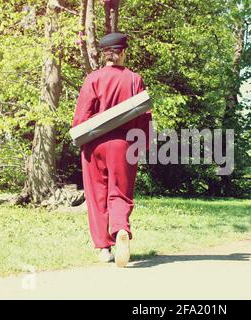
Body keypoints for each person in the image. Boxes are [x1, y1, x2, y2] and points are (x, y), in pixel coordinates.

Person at [71, 32, 152, 267]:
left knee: (96, 194)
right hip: (124, 144)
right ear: (123, 52)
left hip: (95, 143)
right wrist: (142, 144)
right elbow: (144, 117)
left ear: (104, 54)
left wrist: (82, 139)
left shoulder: (93, 79)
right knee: (120, 192)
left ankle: (104, 248)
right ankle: (120, 230)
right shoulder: (134, 79)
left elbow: (82, 116)